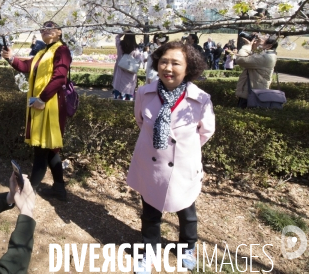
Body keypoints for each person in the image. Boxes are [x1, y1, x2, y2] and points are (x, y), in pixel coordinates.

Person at [127, 41, 215, 274]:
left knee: (187, 212)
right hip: (152, 163)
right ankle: (149, 252)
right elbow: (140, 121)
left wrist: (186, 150)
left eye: (176, 63)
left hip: (183, 165)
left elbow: (206, 131)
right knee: (150, 213)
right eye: (164, 61)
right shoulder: (144, 93)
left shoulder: (201, 99)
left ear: (188, 68)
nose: (168, 67)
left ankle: (187, 247)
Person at [2, 21, 71, 201]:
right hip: (41, 104)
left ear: (59, 32)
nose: (44, 30)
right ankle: (59, 189)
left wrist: (42, 98)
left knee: (41, 149)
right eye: (42, 28)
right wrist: (11, 58)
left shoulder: (61, 50)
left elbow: (60, 77)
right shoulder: (43, 51)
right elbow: (26, 67)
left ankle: (29, 192)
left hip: (51, 105)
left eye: (49, 27)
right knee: (50, 150)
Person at [235, 34, 278, 109]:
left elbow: (241, 59)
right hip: (251, 93)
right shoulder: (265, 54)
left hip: (252, 95)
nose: (255, 42)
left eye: (258, 41)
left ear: (269, 46)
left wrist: (247, 46)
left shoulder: (266, 57)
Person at [112, 31, 143, 100]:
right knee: (128, 90)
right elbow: (139, 59)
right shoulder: (135, 48)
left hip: (120, 71)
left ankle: (117, 98)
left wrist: (123, 32)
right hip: (130, 73)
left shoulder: (120, 45)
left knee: (118, 89)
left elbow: (117, 37)